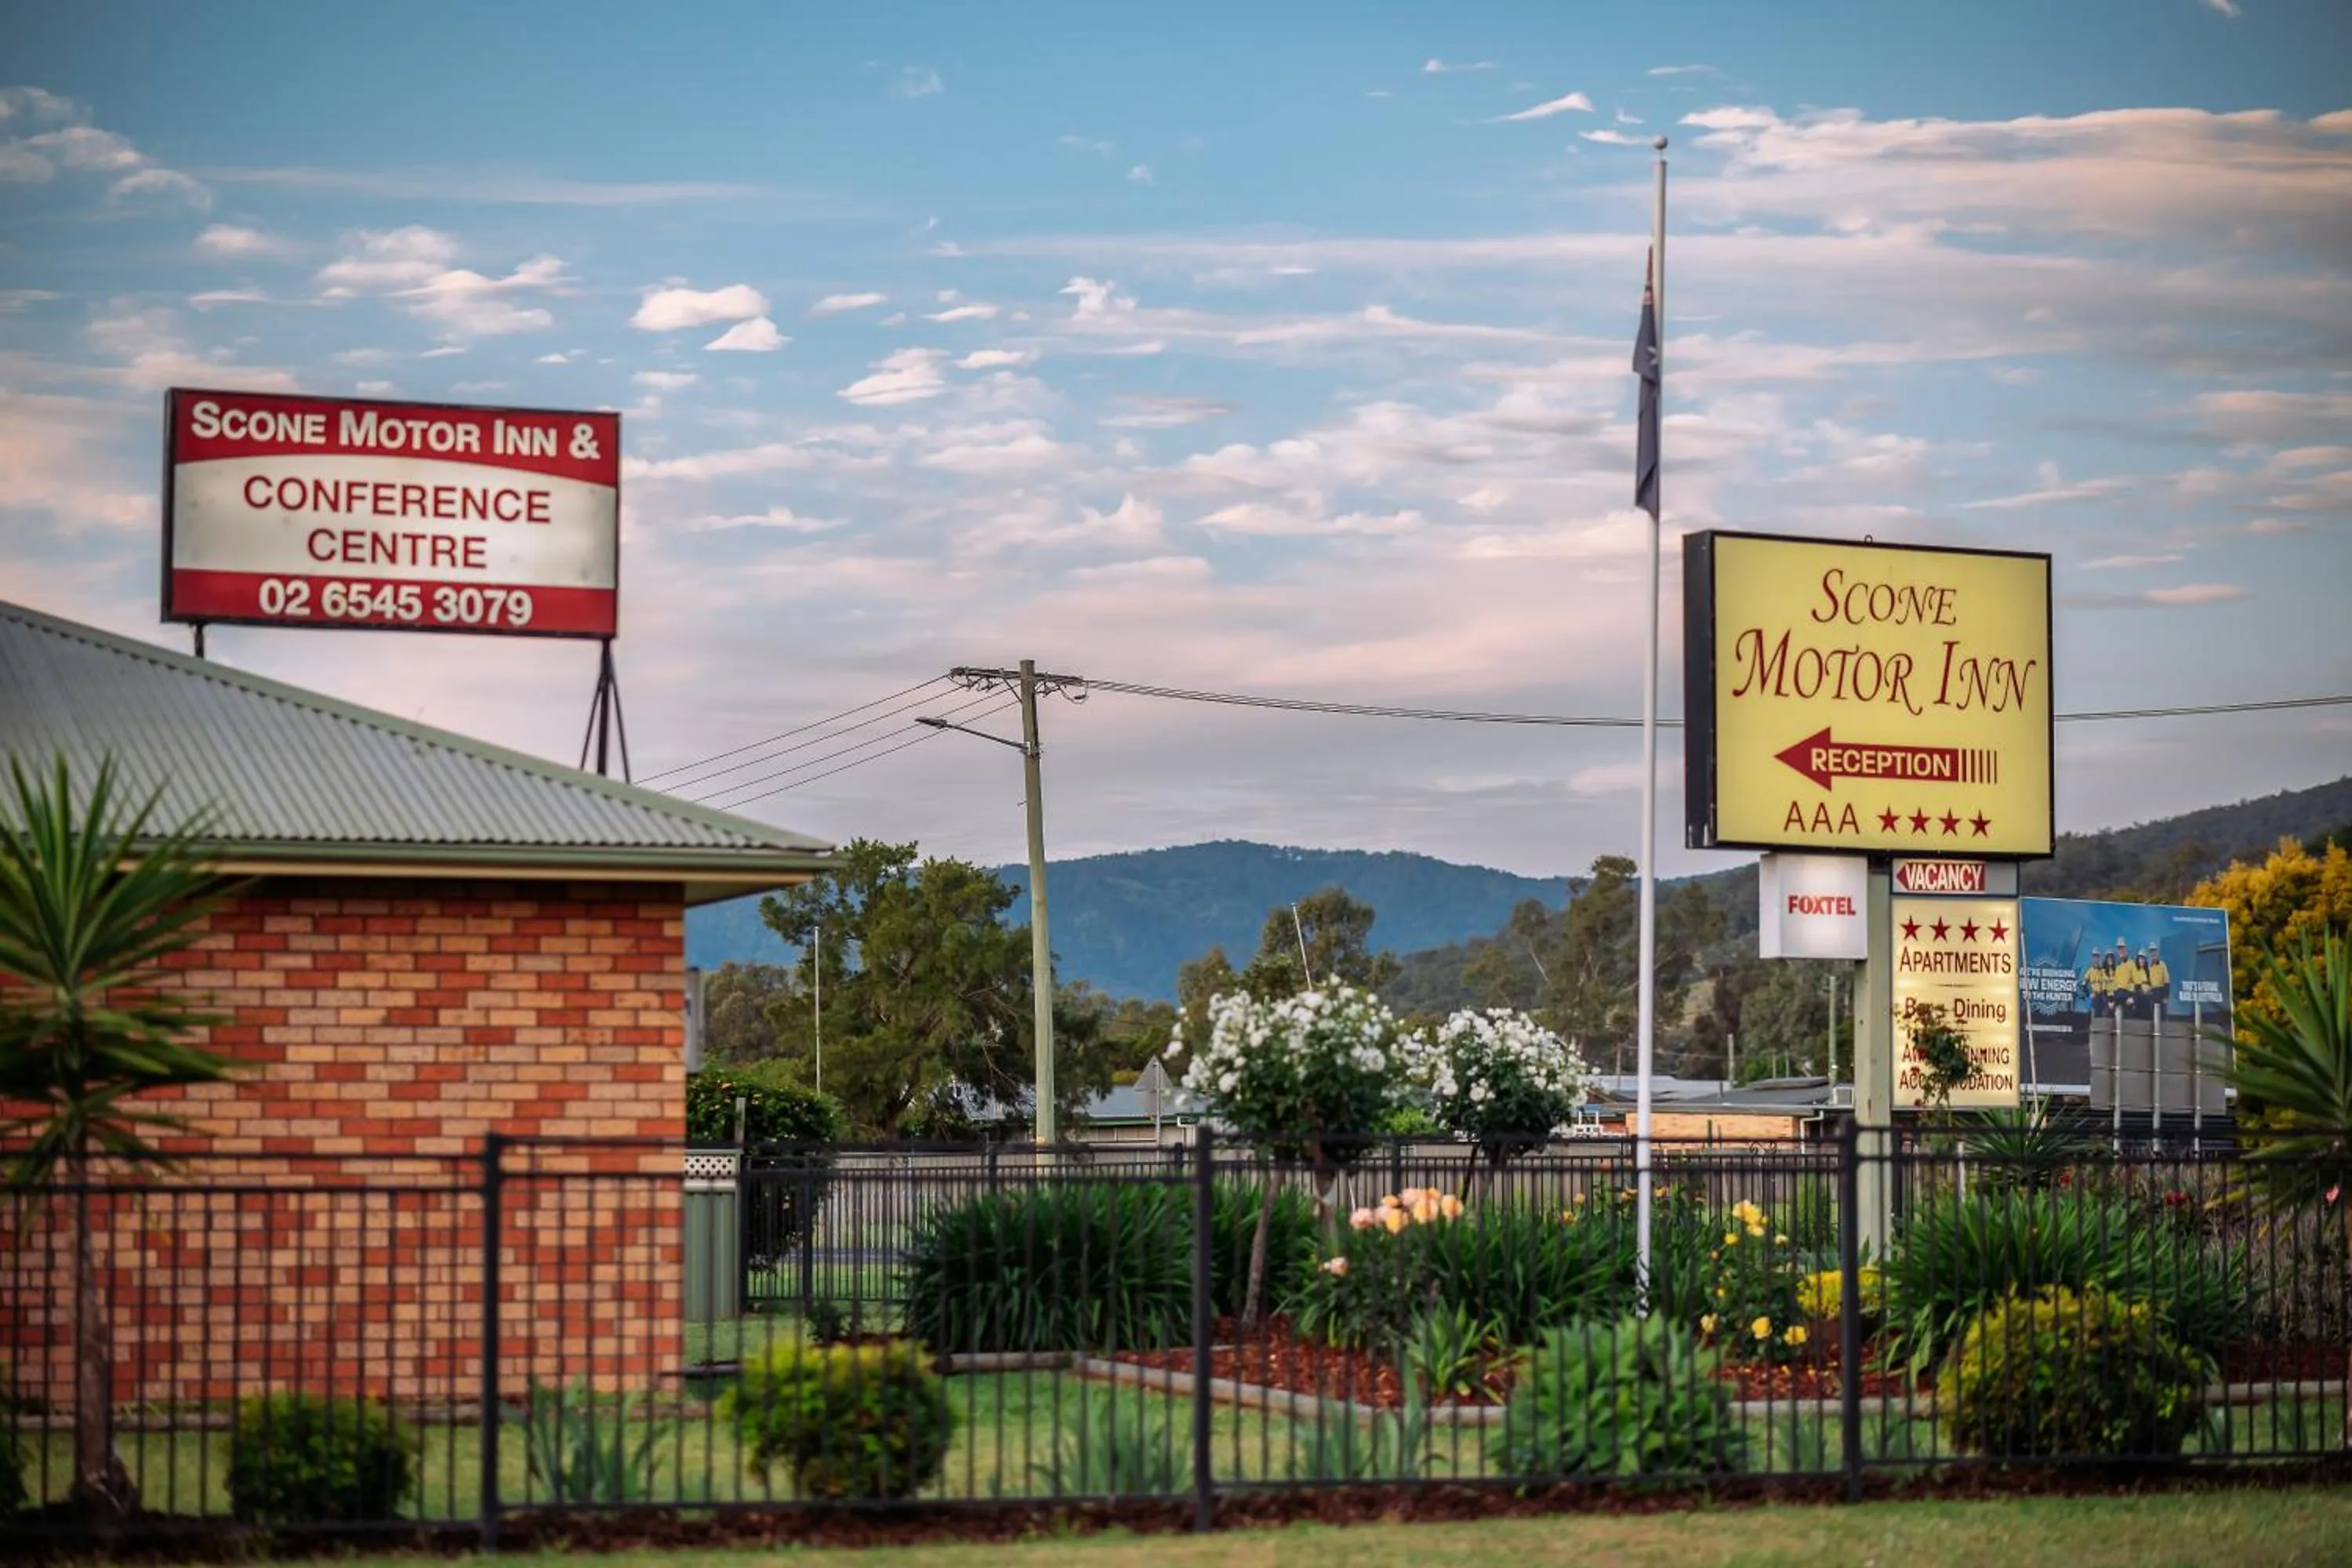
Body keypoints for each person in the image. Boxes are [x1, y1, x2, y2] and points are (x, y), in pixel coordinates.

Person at [2142, 942, 2172, 1016]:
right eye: (2151, 952)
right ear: (2150, 953)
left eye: (2154, 951)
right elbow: (2147, 982)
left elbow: (2167, 981)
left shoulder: (2162, 965)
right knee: (2153, 1014)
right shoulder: (2149, 967)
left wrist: (2165, 997)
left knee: (2162, 1015)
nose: (2153, 953)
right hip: (2153, 993)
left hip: (2161, 992)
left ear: (2157, 952)